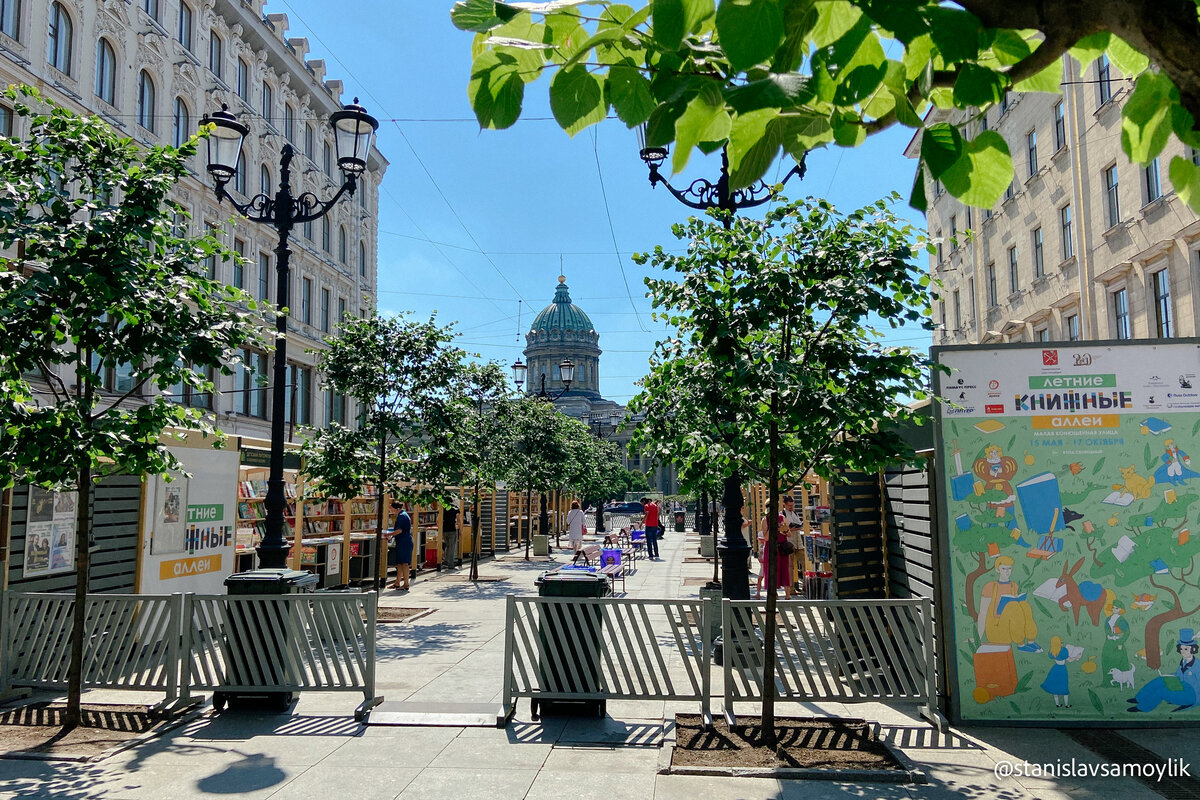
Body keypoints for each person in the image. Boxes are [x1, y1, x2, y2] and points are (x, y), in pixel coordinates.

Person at [976, 556, 1040, 652]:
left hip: (1011, 627)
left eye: (1009, 568)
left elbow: (1022, 613)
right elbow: (983, 612)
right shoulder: (990, 586)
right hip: (996, 629)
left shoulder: (1014, 586)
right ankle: (1021, 644)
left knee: (1024, 605)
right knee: (1012, 606)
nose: (1007, 571)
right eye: (1004, 568)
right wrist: (978, 637)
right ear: (997, 570)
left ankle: (1031, 641)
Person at [1129, 629, 1200, 712]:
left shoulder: (1197, 665)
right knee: (1160, 680)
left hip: (1191, 695)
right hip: (1181, 686)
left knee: (1162, 691)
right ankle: (1140, 698)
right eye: (1181, 649)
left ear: (1193, 650)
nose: (1183, 652)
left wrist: (1196, 701)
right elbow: (1178, 674)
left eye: (1186, 649)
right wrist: (1167, 677)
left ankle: (1143, 707)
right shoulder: (1183, 661)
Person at [756, 505, 792, 599]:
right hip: (771, 548)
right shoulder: (765, 520)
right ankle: (773, 594)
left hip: (782, 548)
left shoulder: (782, 517)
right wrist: (774, 527)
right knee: (771, 570)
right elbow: (766, 537)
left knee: (785, 570)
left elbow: (789, 534)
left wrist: (784, 529)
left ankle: (788, 595)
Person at [384, 501, 413, 590]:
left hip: (404, 541)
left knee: (404, 563)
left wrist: (388, 534)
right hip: (403, 541)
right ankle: (397, 582)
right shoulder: (404, 515)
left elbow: (399, 530)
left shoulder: (401, 517)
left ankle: (406, 584)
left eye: (391, 509)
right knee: (400, 563)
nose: (391, 511)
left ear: (397, 509)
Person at [1040, 635, 1072, 708]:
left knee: (1054, 687)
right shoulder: (1063, 650)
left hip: (1055, 669)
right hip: (1062, 669)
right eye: (1061, 642)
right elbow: (1069, 659)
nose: (1062, 643)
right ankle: (1066, 705)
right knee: (1064, 686)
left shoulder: (1052, 651)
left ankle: (1057, 704)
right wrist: (1077, 656)